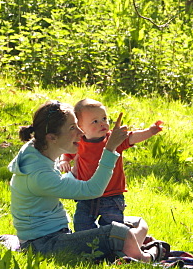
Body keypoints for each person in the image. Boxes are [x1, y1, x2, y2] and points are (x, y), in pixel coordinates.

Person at [8, 100, 164, 263]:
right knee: (118, 232)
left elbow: (58, 183)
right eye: (72, 128)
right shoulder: (38, 175)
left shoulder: (37, 150)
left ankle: (125, 249)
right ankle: (146, 257)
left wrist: (72, 173)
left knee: (138, 223)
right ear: (52, 137)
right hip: (45, 245)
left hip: (52, 237)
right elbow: (92, 190)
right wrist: (109, 149)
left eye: (77, 125)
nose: (81, 132)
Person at [59, 98, 164, 234]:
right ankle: (89, 247)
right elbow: (67, 152)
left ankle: (112, 246)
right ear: (80, 127)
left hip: (112, 195)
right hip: (87, 193)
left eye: (104, 118)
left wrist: (150, 131)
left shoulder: (113, 139)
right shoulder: (79, 142)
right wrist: (64, 161)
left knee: (113, 227)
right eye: (95, 121)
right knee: (82, 223)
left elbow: (132, 137)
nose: (102, 123)